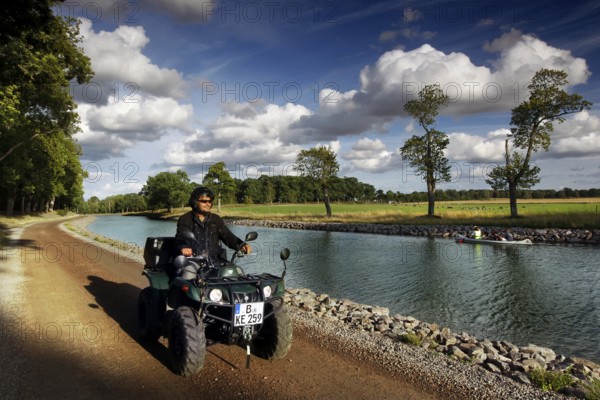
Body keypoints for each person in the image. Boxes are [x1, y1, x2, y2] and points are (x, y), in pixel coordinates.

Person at [173, 186, 251, 278]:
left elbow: (227, 235)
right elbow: (181, 236)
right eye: (204, 201)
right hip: (193, 261)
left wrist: (241, 245)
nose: (208, 204)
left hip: (215, 260)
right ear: (194, 202)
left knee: (236, 273)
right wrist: (184, 247)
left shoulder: (216, 219)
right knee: (188, 276)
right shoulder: (185, 219)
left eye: (210, 201)